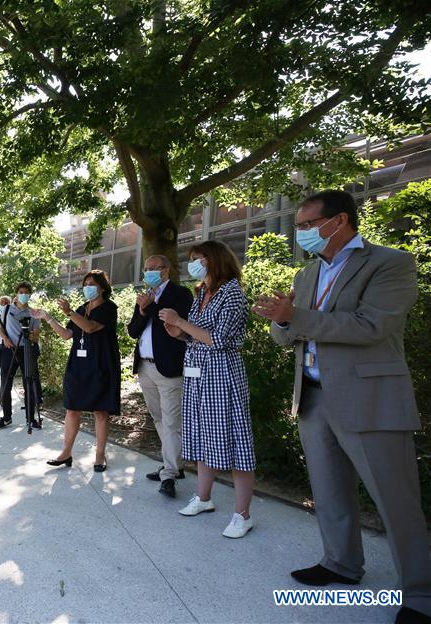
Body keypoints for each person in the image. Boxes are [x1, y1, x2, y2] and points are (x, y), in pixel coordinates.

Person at [254, 190, 431, 622]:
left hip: (370, 399)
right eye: (298, 226)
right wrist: (281, 320)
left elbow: (373, 325)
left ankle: (422, 594)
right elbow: (287, 336)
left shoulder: (390, 263)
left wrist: (295, 319)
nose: (302, 233)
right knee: (330, 491)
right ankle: (341, 564)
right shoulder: (307, 275)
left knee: (396, 500)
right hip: (313, 396)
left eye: (308, 224)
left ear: (341, 221)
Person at [157, 240, 254, 539]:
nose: (193, 264)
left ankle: (242, 514)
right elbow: (197, 337)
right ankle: (204, 498)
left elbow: (220, 339)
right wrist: (178, 332)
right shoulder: (203, 293)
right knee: (198, 433)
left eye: (198, 258)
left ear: (214, 260)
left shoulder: (232, 293)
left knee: (236, 442)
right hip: (198, 375)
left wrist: (181, 323)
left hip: (222, 375)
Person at [32, 270, 120, 471]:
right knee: (72, 409)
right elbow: (67, 334)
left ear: (103, 287)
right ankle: (66, 453)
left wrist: (70, 312)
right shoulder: (81, 308)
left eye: (92, 283)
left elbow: (89, 328)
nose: (87, 287)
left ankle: (100, 455)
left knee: (100, 411)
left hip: (101, 365)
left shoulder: (109, 308)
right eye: (85, 283)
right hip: (78, 366)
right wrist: (49, 318)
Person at [127, 255, 194, 498]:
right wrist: (142, 310)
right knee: (158, 417)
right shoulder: (146, 296)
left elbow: (176, 325)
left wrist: (150, 307)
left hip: (169, 368)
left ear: (166, 270)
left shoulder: (180, 294)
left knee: (172, 421)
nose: (148, 273)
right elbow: (133, 330)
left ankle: (169, 474)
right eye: (146, 269)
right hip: (145, 367)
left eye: (153, 269)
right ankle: (173, 465)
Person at [0, 282, 42, 430]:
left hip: (27, 350)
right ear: (16, 293)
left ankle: (31, 418)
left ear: (30, 295)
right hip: (9, 350)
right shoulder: (7, 309)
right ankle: (7, 417)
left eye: (26, 292)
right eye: (21, 292)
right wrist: (6, 340)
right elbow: (0, 329)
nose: (23, 294)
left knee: (30, 384)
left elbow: (36, 337)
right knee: (5, 385)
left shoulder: (34, 313)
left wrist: (32, 335)